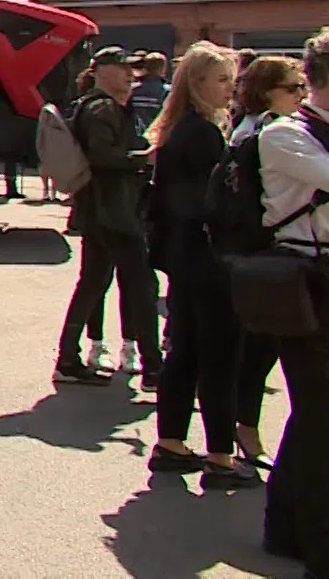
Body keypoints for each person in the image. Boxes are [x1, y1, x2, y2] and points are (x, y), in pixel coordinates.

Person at [143, 42, 261, 488]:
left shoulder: (178, 129)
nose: (230, 89)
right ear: (197, 83)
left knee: (186, 353)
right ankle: (220, 457)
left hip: (183, 258)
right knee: (220, 357)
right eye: (223, 79)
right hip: (208, 261)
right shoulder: (203, 134)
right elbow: (216, 206)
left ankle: (172, 443)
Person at [258, 28, 329, 574]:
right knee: (319, 412)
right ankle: (315, 543)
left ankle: (283, 527)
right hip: (306, 276)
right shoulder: (286, 134)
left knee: (312, 414)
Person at [53, 47, 162, 386]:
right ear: (99, 71)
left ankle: (68, 359)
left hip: (101, 210)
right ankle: (154, 368)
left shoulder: (101, 105)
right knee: (142, 286)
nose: (131, 75)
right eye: (123, 69)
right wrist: (143, 158)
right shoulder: (102, 107)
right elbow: (101, 155)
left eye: (133, 70)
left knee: (94, 284)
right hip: (113, 211)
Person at [229, 55, 307, 466]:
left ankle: (243, 429)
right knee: (258, 352)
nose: (301, 94)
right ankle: (244, 430)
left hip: (267, 255)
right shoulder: (263, 132)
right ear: (267, 91)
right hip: (264, 256)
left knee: (262, 352)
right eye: (292, 87)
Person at [132, 51, 172, 135]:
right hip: (156, 137)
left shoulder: (131, 90)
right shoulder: (167, 91)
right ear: (162, 69)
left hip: (134, 136)